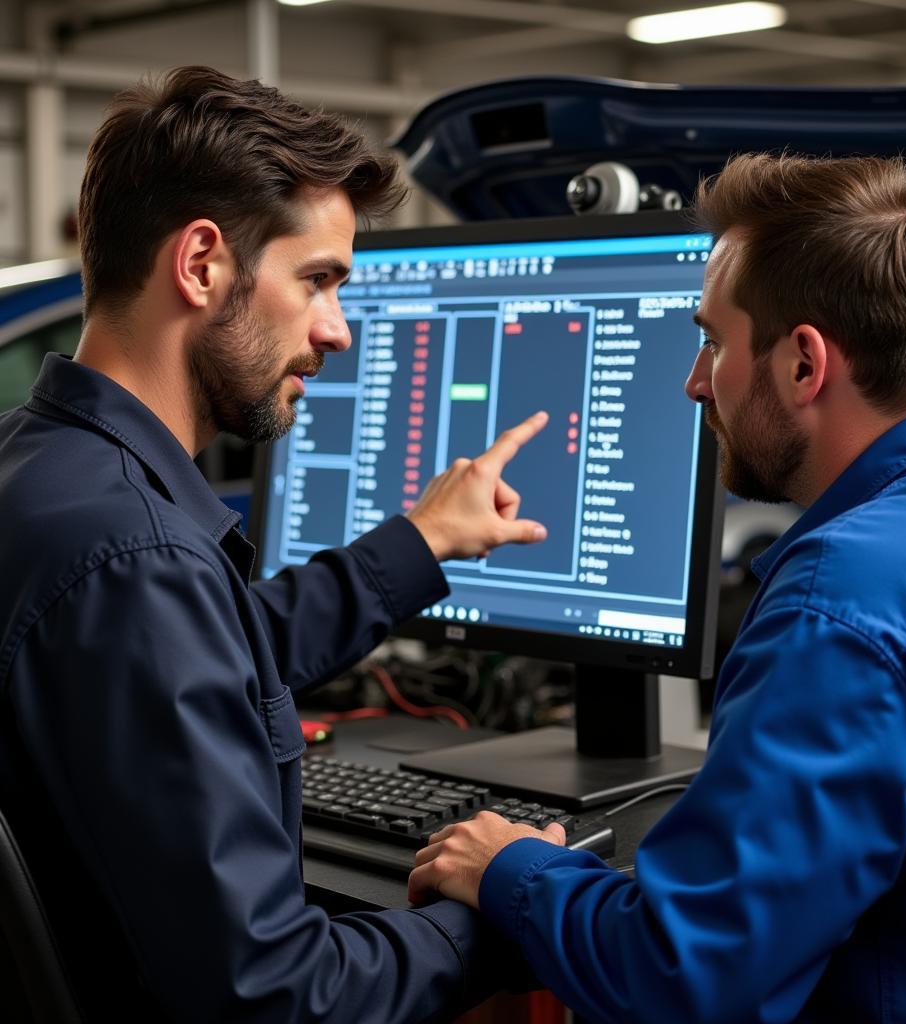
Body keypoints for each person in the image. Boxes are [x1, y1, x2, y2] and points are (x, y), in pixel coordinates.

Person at [408, 154, 906, 1022]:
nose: (696, 382)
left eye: (711, 339)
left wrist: (507, 865)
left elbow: (680, 981)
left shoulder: (843, 605)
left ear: (805, 364)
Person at [0, 66, 551, 1023]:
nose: (337, 330)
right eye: (318, 280)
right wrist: (506, 910)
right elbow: (275, 993)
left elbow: (210, 656)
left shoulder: (41, 473)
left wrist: (420, 543)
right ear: (202, 263)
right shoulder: (135, 557)